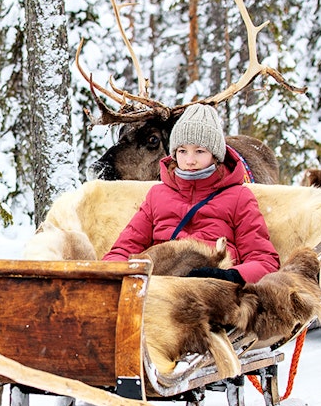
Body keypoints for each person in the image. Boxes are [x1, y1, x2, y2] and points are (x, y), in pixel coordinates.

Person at [102, 103, 279, 284]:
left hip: (213, 292)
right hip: (160, 287)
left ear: (215, 155)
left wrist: (230, 276)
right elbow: (123, 250)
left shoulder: (239, 197)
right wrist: (106, 277)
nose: (190, 160)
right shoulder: (156, 195)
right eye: (182, 151)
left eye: (199, 151)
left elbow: (265, 261)